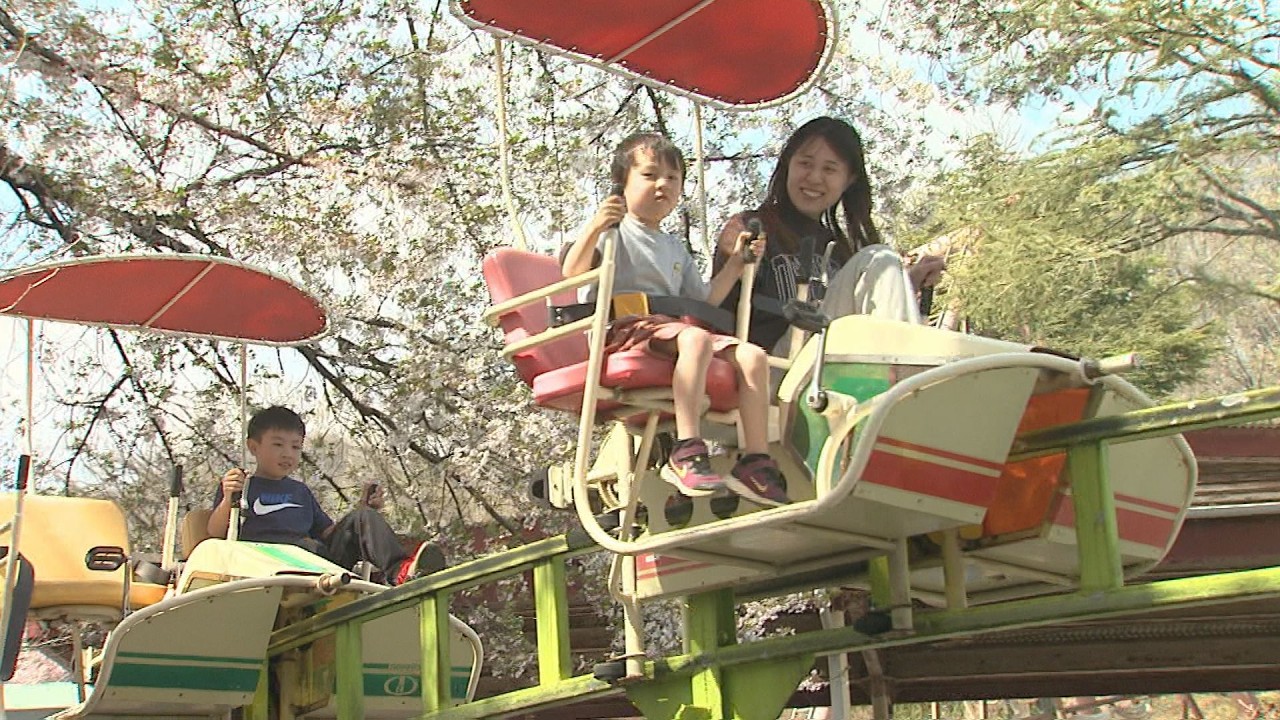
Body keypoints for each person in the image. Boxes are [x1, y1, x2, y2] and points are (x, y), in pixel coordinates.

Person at [561, 132, 788, 506]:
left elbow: (703, 300)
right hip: (625, 329)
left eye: (672, 177)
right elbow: (573, 272)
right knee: (694, 339)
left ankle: (754, 460)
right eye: (650, 175)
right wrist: (596, 227)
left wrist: (737, 263)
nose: (662, 184)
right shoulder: (614, 232)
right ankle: (687, 449)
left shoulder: (673, 246)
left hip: (671, 329)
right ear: (623, 183)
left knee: (752, 356)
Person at [714, 116, 946, 353]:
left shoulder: (840, 251)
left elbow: (843, 303)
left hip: (828, 362)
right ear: (787, 166)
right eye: (805, 164)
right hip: (770, 365)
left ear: (849, 180)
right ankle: (904, 375)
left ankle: (900, 375)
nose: (814, 178)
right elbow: (715, 303)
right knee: (879, 258)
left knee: (882, 262)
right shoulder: (752, 227)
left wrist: (908, 282)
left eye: (829, 169)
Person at [207, 406, 444, 585]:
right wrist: (229, 498)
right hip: (267, 565)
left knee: (362, 517)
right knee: (304, 547)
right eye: (278, 445)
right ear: (253, 447)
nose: (287, 454)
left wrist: (364, 513)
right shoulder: (241, 486)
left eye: (296, 447)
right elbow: (216, 534)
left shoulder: (300, 491)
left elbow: (328, 533)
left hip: (315, 561)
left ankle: (402, 572)